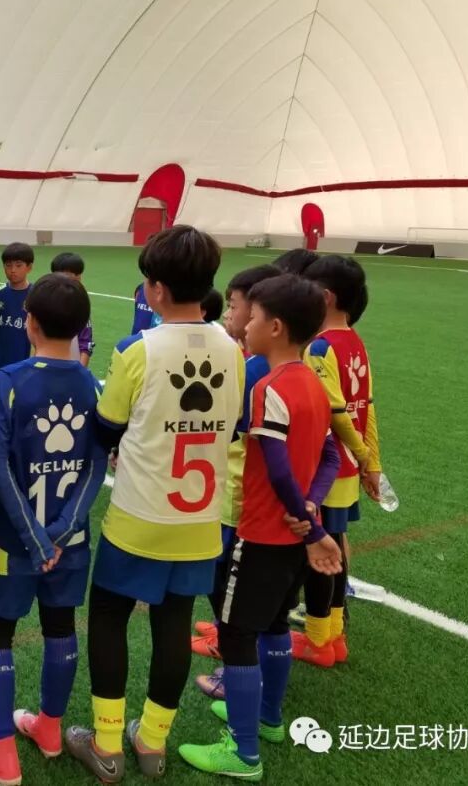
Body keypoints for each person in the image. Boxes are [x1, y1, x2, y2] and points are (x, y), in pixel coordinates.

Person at [65, 226, 244, 781]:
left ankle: (107, 744)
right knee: (174, 623)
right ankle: (153, 743)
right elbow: (234, 424)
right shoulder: (234, 350)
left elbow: (106, 425)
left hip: (140, 516)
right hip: (200, 520)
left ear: (157, 289)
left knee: (109, 617)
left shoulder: (137, 349)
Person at [177, 274, 342, 781]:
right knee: (273, 626)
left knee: (236, 634)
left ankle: (243, 751)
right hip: (292, 538)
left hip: (262, 534)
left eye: (252, 317)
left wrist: (308, 524)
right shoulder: (312, 383)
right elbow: (330, 457)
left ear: (275, 327)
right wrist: (311, 510)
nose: (244, 324)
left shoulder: (269, 388)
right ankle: (268, 718)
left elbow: (277, 469)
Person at [0, 274, 108, 785]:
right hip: (68, 541)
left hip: (13, 540)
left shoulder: (9, 381)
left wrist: (34, 537)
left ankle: (4, 758)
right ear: (81, 327)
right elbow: (97, 466)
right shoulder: (91, 385)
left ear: (29, 322)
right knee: (60, 625)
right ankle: (50, 730)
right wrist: (61, 530)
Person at [193, 264, 283, 697]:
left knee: (227, 589)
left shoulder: (253, 371)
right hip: (259, 503)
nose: (230, 315)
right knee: (258, 603)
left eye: (235, 306)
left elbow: (229, 433)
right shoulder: (275, 365)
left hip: (237, 501)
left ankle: (238, 671)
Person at [295, 255, 382, 667]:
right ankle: (334, 636)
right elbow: (369, 406)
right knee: (336, 546)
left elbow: (335, 411)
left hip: (327, 465)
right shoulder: (356, 341)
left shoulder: (320, 347)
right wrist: (370, 461)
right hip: (348, 467)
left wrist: (363, 455)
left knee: (320, 552)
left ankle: (317, 640)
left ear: (326, 297)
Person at [0, 242, 35, 375]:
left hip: (26, 363)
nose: (13, 270)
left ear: (29, 267)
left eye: (18, 265)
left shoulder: (36, 295)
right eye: (8, 265)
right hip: (0, 364)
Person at [50, 253, 95, 367]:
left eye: (77, 275)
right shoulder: (46, 302)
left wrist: (80, 370)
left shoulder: (80, 305)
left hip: (72, 366)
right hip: (48, 366)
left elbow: (86, 343)